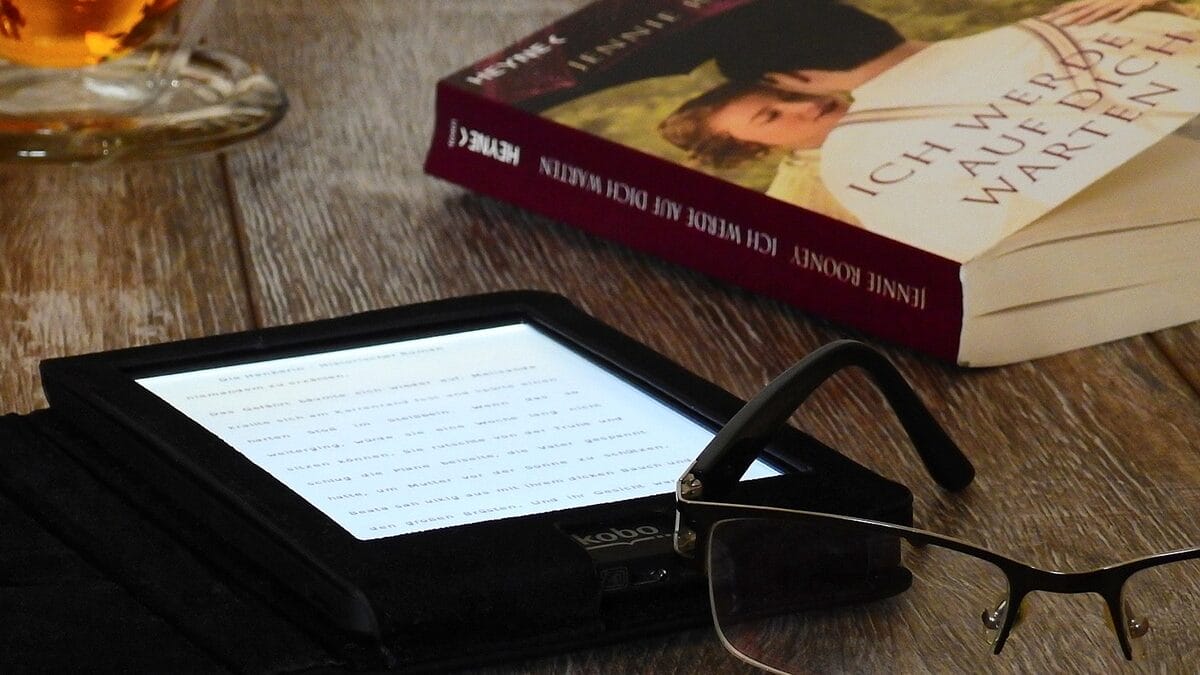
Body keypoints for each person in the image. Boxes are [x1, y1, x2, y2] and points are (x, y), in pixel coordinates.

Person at [658, 0, 1200, 261]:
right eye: (770, 116)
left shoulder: (860, 170)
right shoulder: (1098, 16)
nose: (799, 109)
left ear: (795, 79)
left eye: (780, 99)